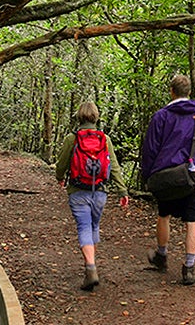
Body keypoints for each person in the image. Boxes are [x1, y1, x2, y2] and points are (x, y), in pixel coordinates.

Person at [141, 74, 195, 285]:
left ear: (171, 91)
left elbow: (150, 149)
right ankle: (188, 267)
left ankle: (162, 256)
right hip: (193, 177)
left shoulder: (161, 117)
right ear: (188, 92)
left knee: (164, 215)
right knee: (193, 221)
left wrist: (148, 176)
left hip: (167, 177)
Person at [56, 101, 130, 291]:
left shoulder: (71, 138)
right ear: (96, 117)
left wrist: (60, 178)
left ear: (78, 117)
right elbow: (113, 166)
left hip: (78, 191)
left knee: (84, 227)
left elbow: (62, 164)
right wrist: (122, 191)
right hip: (99, 192)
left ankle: (90, 268)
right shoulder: (104, 139)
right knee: (94, 226)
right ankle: (91, 266)